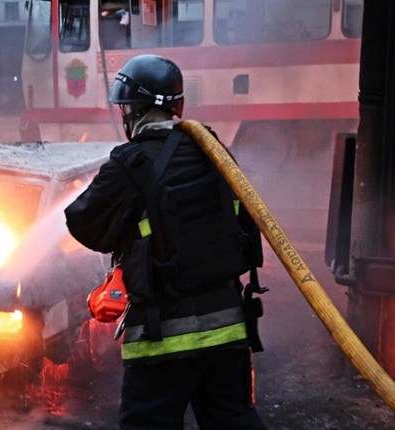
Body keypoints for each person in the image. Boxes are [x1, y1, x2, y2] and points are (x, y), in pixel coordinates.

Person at [64, 54, 266, 430]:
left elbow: (83, 225)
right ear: (177, 105)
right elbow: (244, 220)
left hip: (163, 338)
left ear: (132, 112)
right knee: (232, 421)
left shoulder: (129, 164)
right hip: (227, 328)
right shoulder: (213, 151)